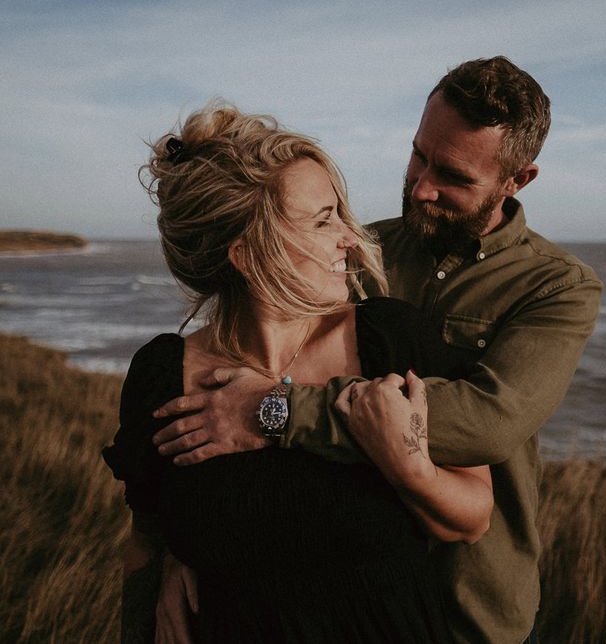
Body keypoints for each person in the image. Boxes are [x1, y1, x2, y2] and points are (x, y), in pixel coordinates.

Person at [153, 57, 603, 643]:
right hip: (341, 585)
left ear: (517, 180)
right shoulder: (361, 250)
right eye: (419, 154)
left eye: (453, 175)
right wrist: (192, 548)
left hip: (471, 599)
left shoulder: (557, 286)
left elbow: (490, 421)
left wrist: (278, 411)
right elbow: (255, 354)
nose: (421, 185)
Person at [102, 102, 494, 643]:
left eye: (339, 212)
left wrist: (409, 467)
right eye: (322, 220)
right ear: (248, 252)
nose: (351, 238)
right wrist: (170, 569)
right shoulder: (164, 376)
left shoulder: (389, 339)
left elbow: (471, 517)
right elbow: (145, 539)